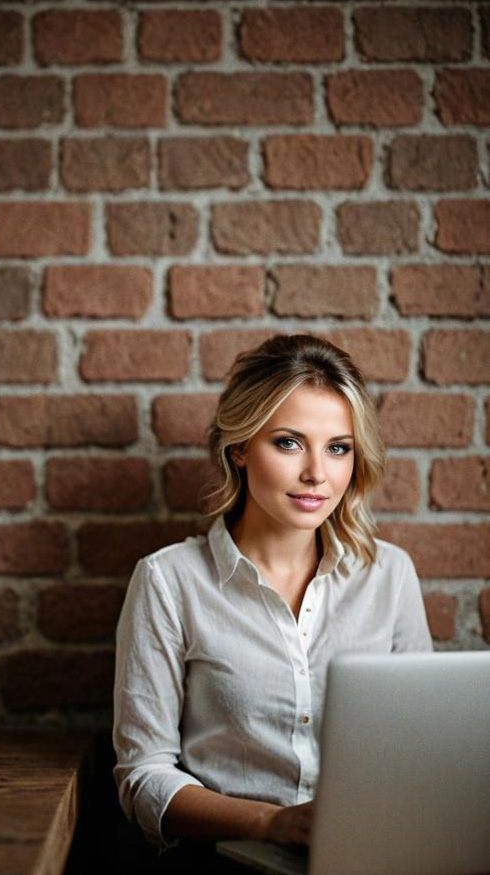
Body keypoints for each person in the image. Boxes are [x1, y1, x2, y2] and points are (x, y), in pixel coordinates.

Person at [112, 333, 432, 864]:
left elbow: (423, 750)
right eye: (288, 442)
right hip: (230, 859)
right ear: (238, 448)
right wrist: (273, 822)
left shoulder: (390, 575)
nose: (317, 473)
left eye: (338, 448)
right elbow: (143, 777)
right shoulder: (169, 581)